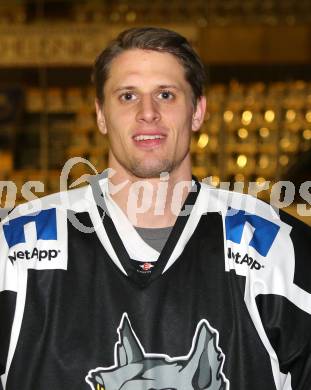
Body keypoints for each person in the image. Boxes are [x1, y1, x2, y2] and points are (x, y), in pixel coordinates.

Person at [0, 27, 311, 390]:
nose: (148, 112)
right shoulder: (16, 250)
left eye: (166, 94)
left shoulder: (276, 250)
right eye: (127, 95)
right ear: (100, 114)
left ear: (197, 111)